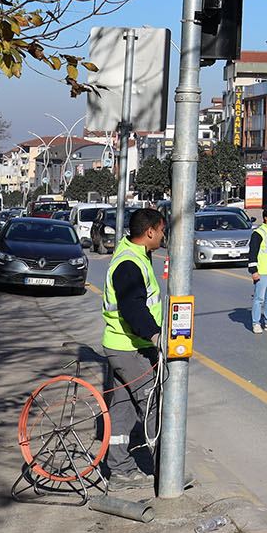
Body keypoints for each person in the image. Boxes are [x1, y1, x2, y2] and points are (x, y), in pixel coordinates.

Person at [99, 206, 166, 495]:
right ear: (149, 232)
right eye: (161, 231)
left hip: (121, 345)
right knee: (151, 405)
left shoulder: (135, 254)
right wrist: (155, 335)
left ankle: (120, 471)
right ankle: (167, 470)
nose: (163, 236)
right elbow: (132, 308)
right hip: (130, 348)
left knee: (123, 410)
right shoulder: (129, 263)